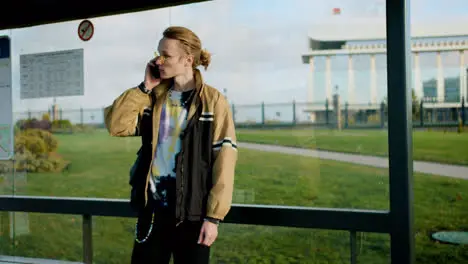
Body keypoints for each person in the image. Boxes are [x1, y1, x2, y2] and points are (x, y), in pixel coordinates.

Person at [104, 26, 238, 263]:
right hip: (153, 214)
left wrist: (213, 218)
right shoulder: (152, 98)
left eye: (166, 54)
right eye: (158, 53)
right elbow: (116, 125)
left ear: (187, 60)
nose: (158, 60)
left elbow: (224, 161)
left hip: (193, 218)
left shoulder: (213, 101)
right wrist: (144, 86)